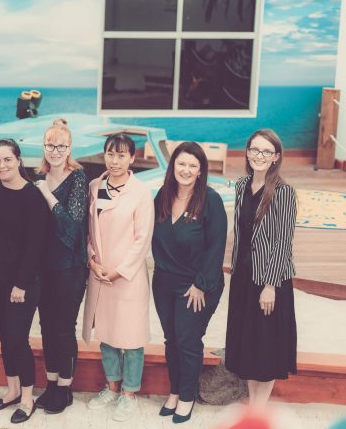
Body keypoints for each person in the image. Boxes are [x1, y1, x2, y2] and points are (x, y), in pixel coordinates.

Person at [151, 142, 227, 424]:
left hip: (197, 284)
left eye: (192, 166)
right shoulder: (162, 196)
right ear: (172, 167)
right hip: (164, 282)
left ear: (200, 171)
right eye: (181, 164)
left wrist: (201, 285)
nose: (186, 170)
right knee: (171, 339)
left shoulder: (211, 200)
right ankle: (174, 391)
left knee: (187, 339)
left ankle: (187, 396)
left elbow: (216, 247)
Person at [83, 134, 154, 422]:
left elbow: (143, 238)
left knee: (132, 338)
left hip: (128, 276)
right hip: (99, 273)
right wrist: (91, 260)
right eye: (110, 154)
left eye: (122, 155)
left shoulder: (141, 192)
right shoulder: (94, 187)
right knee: (108, 335)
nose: (115, 161)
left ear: (132, 158)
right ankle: (111, 387)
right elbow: (86, 231)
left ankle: (129, 394)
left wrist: (120, 270)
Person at [224, 129, 297, 408]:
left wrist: (270, 286)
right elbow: (240, 232)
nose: (259, 156)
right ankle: (253, 400)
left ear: (276, 157)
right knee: (249, 341)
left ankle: (259, 407)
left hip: (269, 280)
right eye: (255, 150)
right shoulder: (242, 185)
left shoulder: (283, 192)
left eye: (266, 151)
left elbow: (282, 243)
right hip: (243, 276)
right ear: (247, 152)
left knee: (266, 346)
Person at [0, 139, 48, 424]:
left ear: (18, 160)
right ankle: (10, 390)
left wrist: (21, 283)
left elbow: (36, 245)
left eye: (7, 159)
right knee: (3, 337)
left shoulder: (32, 196)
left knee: (17, 339)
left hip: (21, 283)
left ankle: (26, 397)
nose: (2, 165)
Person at [32, 118, 88, 414]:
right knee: (46, 327)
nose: (55, 151)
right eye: (50, 145)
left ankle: (65, 389)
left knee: (64, 328)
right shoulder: (37, 177)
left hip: (70, 267)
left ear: (69, 149)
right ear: (43, 147)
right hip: (44, 267)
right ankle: (52, 384)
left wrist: (45, 192)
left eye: (61, 146)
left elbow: (70, 225)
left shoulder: (77, 177)